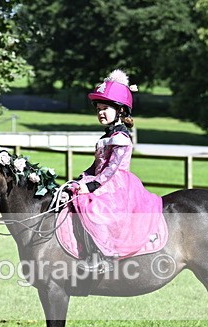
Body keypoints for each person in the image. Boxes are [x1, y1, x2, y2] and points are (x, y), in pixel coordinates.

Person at [68, 69, 164, 272]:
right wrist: (82, 178)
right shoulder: (106, 137)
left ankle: (102, 257)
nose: (101, 112)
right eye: (98, 109)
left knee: (93, 208)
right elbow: (97, 166)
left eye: (106, 108)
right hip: (102, 181)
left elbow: (111, 169)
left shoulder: (120, 137)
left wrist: (92, 185)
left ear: (120, 111)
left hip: (116, 186)